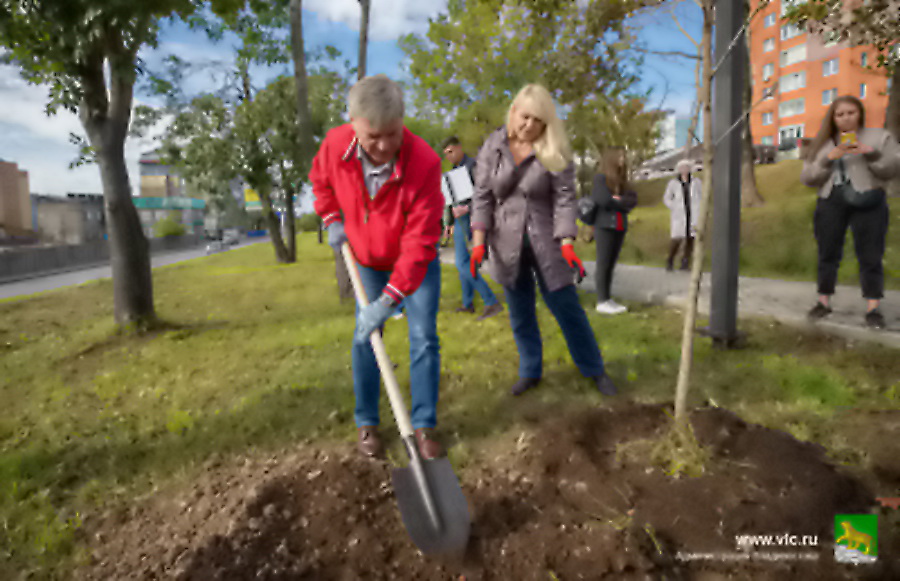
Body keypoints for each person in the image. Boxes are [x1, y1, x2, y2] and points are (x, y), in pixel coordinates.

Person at [310, 74, 445, 459]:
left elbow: (420, 240)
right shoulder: (335, 146)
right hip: (366, 262)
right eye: (374, 137)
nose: (384, 146)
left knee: (424, 337)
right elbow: (320, 183)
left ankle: (423, 424)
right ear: (353, 123)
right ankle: (367, 421)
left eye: (392, 134)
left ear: (402, 121)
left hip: (415, 265)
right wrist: (331, 218)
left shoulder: (424, 163)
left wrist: (391, 298)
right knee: (365, 338)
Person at [470, 83, 617, 397]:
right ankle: (530, 371)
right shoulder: (492, 147)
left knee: (567, 307)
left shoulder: (554, 149)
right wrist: (479, 241)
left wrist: (567, 242)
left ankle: (594, 369)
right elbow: (482, 196)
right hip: (505, 242)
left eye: (538, 120)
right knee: (520, 311)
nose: (529, 125)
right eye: (525, 117)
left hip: (546, 240)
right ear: (513, 112)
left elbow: (565, 199)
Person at [800, 95, 899, 329]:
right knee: (827, 252)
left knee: (871, 254)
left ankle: (873, 308)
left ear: (860, 114)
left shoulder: (879, 136)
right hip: (831, 200)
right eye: (840, 114)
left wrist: (870, 153)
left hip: (868, 199)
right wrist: (827, 159)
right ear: (833, 118)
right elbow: (807, 178)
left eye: (851, 113)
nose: (846, 118)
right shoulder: (822, 143)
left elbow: (892, 169)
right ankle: (823, 302)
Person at [441, 136, 504, 320]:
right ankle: (467, 303)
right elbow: (450, 200)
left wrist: (468, 208)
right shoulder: (452, 172)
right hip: (459, 219)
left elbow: (485, 194)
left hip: (473, 217)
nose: (449, 156)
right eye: (446, 154)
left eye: (451, 151)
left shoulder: (474, 166)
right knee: (465, 262)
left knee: (462, 263)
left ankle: (491, 301)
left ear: (459, 148)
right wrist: (448, 223)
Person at [589, 147, 638, 315]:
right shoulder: (600, 178)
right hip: (604, 226)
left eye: (624, 157)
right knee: (603, 263)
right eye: (620, 157)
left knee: (611, 264)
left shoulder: (623, 181)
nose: (623, 160)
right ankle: (601, 300)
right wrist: (620, 202)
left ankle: (607, 298)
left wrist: (618, 200)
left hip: (619, 226)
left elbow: (632, 200)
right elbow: (602, 199)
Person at [662, 159, 702, 271]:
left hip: (692, 213)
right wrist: (674, 206)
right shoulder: (673, 183)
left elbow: (701, 195)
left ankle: (685, 262)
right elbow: (667, 198)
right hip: (679, 214)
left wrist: (700, 207)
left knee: (690, 239)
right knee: (677, 239)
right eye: (682, 168)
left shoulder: (696, 182)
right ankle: (670, 260)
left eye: (686, 168)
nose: (684, 170)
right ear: (679, 170)